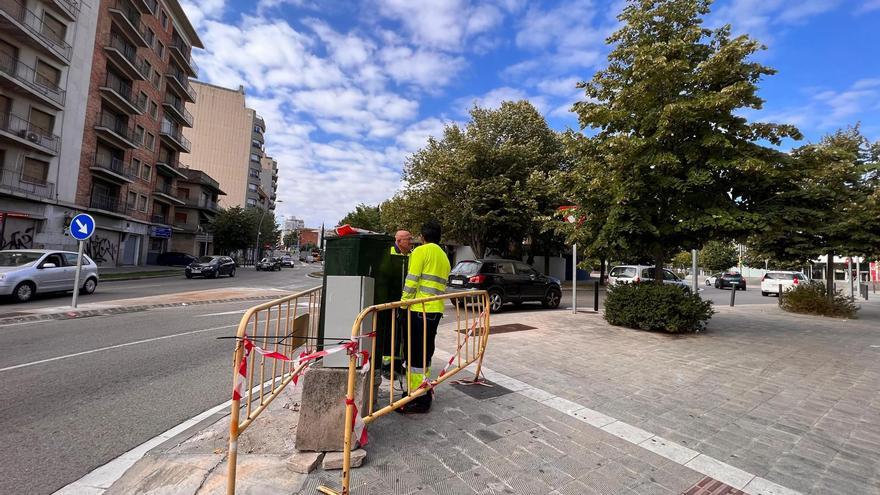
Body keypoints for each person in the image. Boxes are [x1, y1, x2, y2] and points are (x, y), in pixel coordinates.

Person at [397, 220, 450, 414]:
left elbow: (411, 281)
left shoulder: (421, 252)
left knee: (415, 355)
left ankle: (417, 397)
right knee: (425, 353)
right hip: (435, 311)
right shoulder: (444, 256)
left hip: (419, 309)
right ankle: (423, 390)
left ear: (423, 237)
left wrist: (403, 304)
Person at [381, 230, 412, 378]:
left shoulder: (410, 255)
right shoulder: (389, 252)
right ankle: (387, 365)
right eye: (408, 239)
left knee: (401, 333)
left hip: (404, 301)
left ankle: (399, 363)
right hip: (389, 301)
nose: (411, 242)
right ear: (399, 241)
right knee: (389, 332)